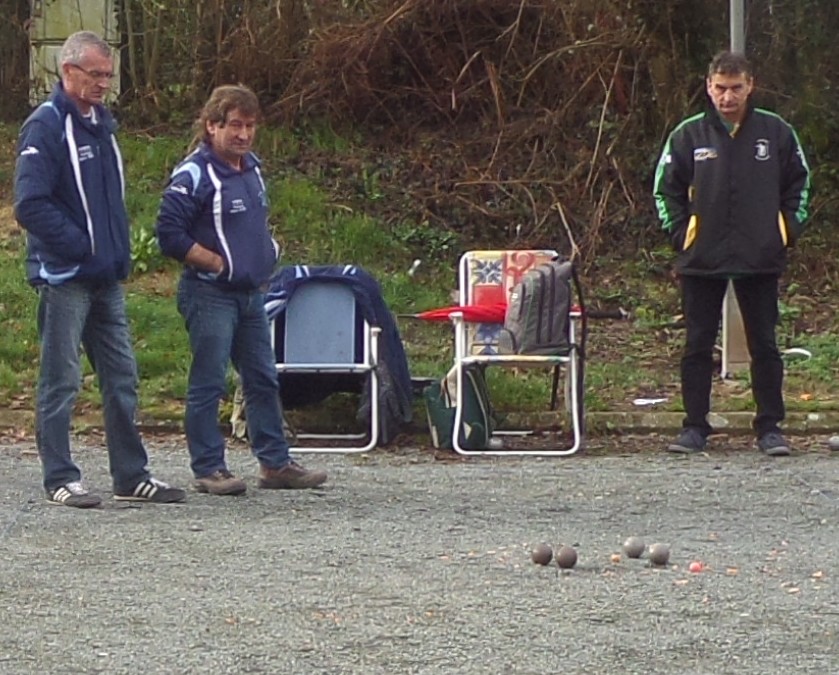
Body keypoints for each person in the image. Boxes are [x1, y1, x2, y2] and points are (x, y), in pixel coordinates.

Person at [13, 31, 187, 507]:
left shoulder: (103, 127)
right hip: (65, 278)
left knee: (122, 377)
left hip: (106, 277)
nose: (104, 84)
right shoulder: (45, 127)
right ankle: (60, 477)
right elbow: (30, 204)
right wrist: (78, 247)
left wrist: (115, 253)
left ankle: (130, 475)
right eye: (95, 74)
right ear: (68, 71)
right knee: (62, 379)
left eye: (108, 75)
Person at [155, 85, 327, 495]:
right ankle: (208, 468)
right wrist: (217, 263)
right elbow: (169, 234)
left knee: (263, 377)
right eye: (235, 125)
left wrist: (268, 252)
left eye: (250, 126)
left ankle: (275, 463)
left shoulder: (252, 169)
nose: (244, 134)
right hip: (209, 293)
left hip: (251, 293)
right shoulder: (194, 174)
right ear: (211, 126)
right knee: (210, 379)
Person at [654, 51, 812, 456]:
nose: (727, 97)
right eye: (720, 88)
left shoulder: (776, 132)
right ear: (709, 87)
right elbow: (665, 189)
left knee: (765, 345)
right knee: (697, 345)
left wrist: (785, 230)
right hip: (701, 257)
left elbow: (800, 183)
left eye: (735, 88)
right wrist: (682, 235)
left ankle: (770, 428)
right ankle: (694, 428)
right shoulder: (688, 135)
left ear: (750, 86)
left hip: (760, 255)